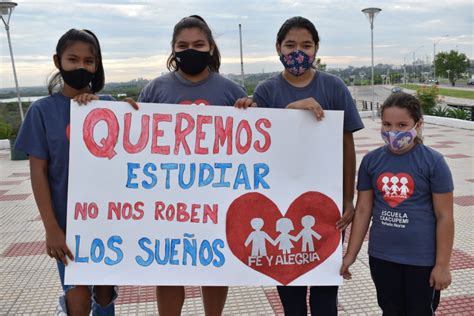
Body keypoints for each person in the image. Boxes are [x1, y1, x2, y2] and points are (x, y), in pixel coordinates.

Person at [15, 28, 137, 315]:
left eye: (89, 61)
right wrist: (51, 228)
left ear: (97, 65)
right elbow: (38, 173)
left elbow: (134, 154)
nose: (81, 67)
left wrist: (133, 114)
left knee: (105, 291)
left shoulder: (110, 106)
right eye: (73, 60)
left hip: (109, 223)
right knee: (77, 295)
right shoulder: (42, 112)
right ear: (58, 61)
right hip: (67, 225)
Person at [137, 15, 253, 316]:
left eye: (198, 44)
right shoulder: (154, 90)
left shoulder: (230, 90)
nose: (191, 50)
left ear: (211, 47)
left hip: (217, 197)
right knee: (168, 267)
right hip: (167, 198)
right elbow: (136, 142)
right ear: (173, 50)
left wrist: (249, 111)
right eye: (183, 45)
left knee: (215, 265)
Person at [253, 16, 364, 316]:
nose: (297, 52)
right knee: (290, 290)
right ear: (278, 47)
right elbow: (259, 148)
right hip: (282, 203)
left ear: (316, 49)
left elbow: (346, 146)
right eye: (290, 45)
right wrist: (289, 113)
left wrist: (346, 198)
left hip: (326, 206)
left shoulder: (333, 86)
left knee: (326, 289)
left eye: (306, 45)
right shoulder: (266, 91)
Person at [340, 92, 454, 315]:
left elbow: (445, 217)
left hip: (422, 260)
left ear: (418, 124)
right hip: (382, 257)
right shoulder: (372, 161)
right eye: (387, 124)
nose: (393, 131)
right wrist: (350, 255)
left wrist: (442, 265)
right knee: (390, 310)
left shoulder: (433, 162)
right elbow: (363, 210)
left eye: (402, 125)